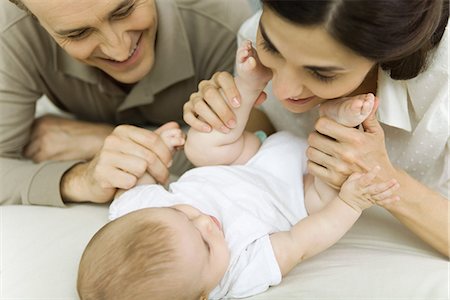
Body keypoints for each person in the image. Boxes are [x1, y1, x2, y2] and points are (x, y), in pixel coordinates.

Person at [77, 41, 399, 300]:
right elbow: (300, 242)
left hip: (245, 158)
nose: (206, 223)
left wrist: (158, 148)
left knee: (199, 147)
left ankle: (246, 87)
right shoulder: (238, 274)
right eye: (206, 246)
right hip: (293, 192)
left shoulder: (138, 215)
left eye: (184, 216)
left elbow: (140, 181)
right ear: (203, 296)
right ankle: (339, 122)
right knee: (324, 194)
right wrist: (350, 203)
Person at [183, 0, 449, 257]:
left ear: (388, 52)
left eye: (322, 74)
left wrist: (383, 178)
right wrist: (227, 113)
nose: (282, 89)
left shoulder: (442, 82)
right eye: (272, 49)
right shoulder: (278, 28)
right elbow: (269, 129)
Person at [0, 0, 252, 206]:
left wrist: (95, 140)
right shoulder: (11, 29)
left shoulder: (221, 19)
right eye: (78, 34)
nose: (118, 50)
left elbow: (254, 144)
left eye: (124, 10)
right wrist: (79, 179)